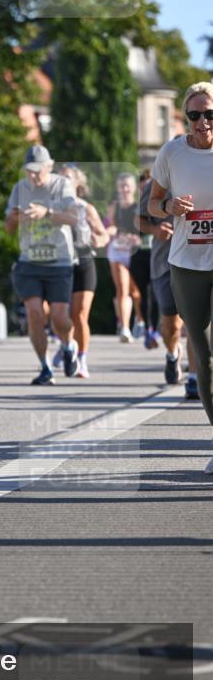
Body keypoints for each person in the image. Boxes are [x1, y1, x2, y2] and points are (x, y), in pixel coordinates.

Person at [148, 81, 213, 473]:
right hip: (187, 263)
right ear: (185, 118)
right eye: (195, 115)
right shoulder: (172, 152)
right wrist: (169, 205)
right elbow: (153, 203)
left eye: (210, 114)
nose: (203, 122)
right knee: (204, 359)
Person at [5, 144, 79, 385]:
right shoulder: (20, 188)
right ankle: (45, 367)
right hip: (30, 261)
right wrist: (14, 218)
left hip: (59, 261)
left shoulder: (61, 185)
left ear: (49, 166)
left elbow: (73, 217)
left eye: (38, 170)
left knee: (59, 318)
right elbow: (8, 229)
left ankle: (69, 345)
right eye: (29, 171)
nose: (33, 175)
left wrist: (46, 213)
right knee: (34, 315)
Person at [138, 171, 198, 394]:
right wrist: (155, 229)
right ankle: (173, 354)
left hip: (197, 261)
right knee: (171, 325)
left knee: (195, 321)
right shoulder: (157, 184)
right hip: (165, 263)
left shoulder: (204, 174)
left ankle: (193, 377)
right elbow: (139, 219)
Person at [52, 164, 109, 378]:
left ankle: (82, 360)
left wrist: (97, 239)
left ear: (78, 183)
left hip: (84, 261)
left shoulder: (86, 208)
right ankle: (67, 344)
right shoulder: (51, 207)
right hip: (59, 263)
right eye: (60, 178)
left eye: (68, 178)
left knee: (80, 314)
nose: (64, 182)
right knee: (58, 315)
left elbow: (103, 236)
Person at [106, 173, 143, 343]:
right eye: (122, 186)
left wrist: (137, 237)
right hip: (118, 251)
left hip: (135, 252)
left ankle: (140, 320)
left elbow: (144, 229)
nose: (125, 189)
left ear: (134, 187)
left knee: (136, 293)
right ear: (117, 188)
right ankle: (125, 327)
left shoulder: (139, 207)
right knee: (122, 288)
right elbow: (111, 225)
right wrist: (110, 232)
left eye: (128, 185)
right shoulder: (114, 206)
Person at [131, 169, 161, 349]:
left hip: (155, 252)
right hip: (138, 254)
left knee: (156, 292)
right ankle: (147, 330)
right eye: (143, 185)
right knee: (141, 294)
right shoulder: (136, 206)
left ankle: (155, 330)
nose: (147, 187)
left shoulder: (159, 201)